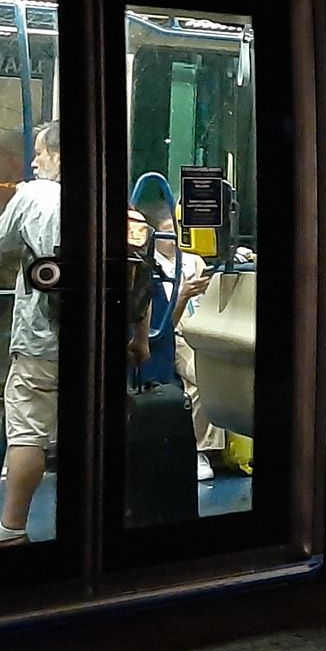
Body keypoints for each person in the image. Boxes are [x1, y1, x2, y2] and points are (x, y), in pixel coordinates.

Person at [0, 121, 62, 551]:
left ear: (58, 156)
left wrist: (18, 197)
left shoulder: (33, 195)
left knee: (27, 431)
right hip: (97, 339)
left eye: (41, 152)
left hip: (41, 337)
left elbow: (0, 240)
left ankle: (11, 527)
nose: (35, 160)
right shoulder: (108, 196)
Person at [135, 194, 226, 482]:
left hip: (204, 330)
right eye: (167, 232)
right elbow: (163, 324)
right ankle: (199, 449)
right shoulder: (152, 267)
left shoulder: (194, 260)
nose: (174, 238)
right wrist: (183, 294)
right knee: (203, 378)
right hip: (175, 335)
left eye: (178, 231)